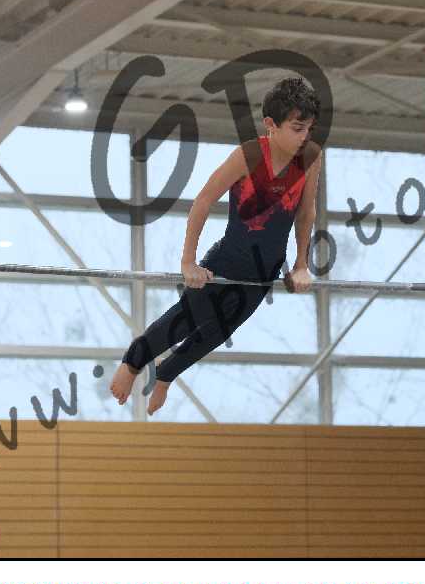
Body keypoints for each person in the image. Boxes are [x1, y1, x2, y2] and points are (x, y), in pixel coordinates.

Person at [109, 77, 323, 416]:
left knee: (219, 331)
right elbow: (204, 200)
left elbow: (306, 212)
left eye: (309, 129)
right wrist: (189, 262)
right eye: (297, 128)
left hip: (265, 270)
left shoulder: (311, 156)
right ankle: (132, 363)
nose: (304, 137)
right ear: (270, 124)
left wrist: (300, 265)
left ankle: (165, 374)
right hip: (227, 261)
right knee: (186, 320)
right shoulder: (249, 156)